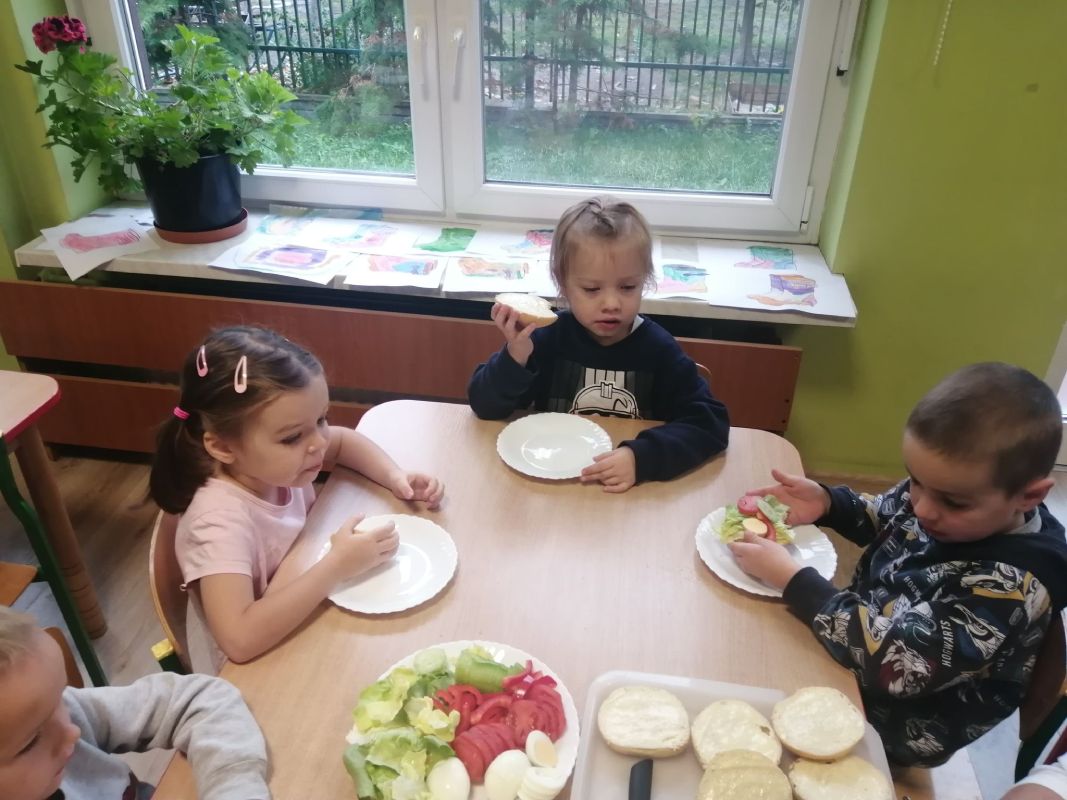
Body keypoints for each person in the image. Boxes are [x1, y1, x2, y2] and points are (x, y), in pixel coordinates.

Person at [728, 362, 1067, 767]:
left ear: (1028, 497)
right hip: (856, 640)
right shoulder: (944, 494)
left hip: (893, 723)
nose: (921, 507)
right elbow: (886, 517)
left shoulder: (1006, 589)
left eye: (953, 502)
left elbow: (896, 665)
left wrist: (795, 581)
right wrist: (830, 503)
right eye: (914, 481)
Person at [149, 326, 444, 667]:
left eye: (321, 419)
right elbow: (239, 639)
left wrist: (394, 475)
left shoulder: (273, 463)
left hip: (308, 600)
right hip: (268, 662)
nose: (319, 442)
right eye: (292, 438)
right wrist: (336, 566)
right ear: (223, 447)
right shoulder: (216, 524)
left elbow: (342, 442)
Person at [467, 196, 729, 493]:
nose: (611, 303)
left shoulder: (659, 350)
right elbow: (485, 407)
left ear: (645, 281)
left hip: (629, 494)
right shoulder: (546, 339)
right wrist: (516, 357)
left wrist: (642, 458)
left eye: (628, 287)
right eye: (592, 289)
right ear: (563, 284)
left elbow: (710, 424)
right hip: (555, 487)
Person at [0, 605, 269, 800]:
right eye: (31, 741)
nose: (72, 732)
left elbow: (197, 699)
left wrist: (232, 788)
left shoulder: (62, 714)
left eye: (60, 694)